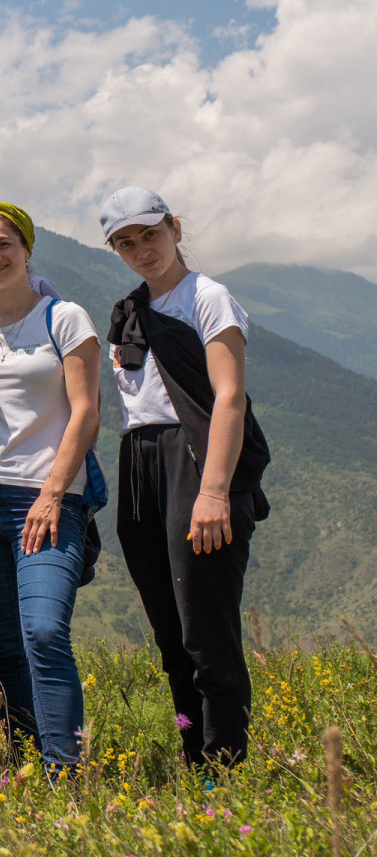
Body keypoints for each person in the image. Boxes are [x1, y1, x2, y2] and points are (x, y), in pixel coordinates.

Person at [101, 187, 269, 769]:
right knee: (170, 629)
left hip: (195, 458)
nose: (142, 249)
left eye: (150, 233)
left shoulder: (206, 297)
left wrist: (214, 490)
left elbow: (229, 395)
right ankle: (196, 758)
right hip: (139, 461)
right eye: (126, 241)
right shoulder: (129, 309)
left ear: (174, 227)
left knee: (205, 627)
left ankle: (227, 766)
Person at [0, 203, 100, 768]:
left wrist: (53, 493)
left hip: (48, 500)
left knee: (43, 631)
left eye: (3, 245)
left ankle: (67, 771)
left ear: (26, 249)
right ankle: (24, 764)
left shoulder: (64, 319)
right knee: (7, 647)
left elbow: (86, 413)